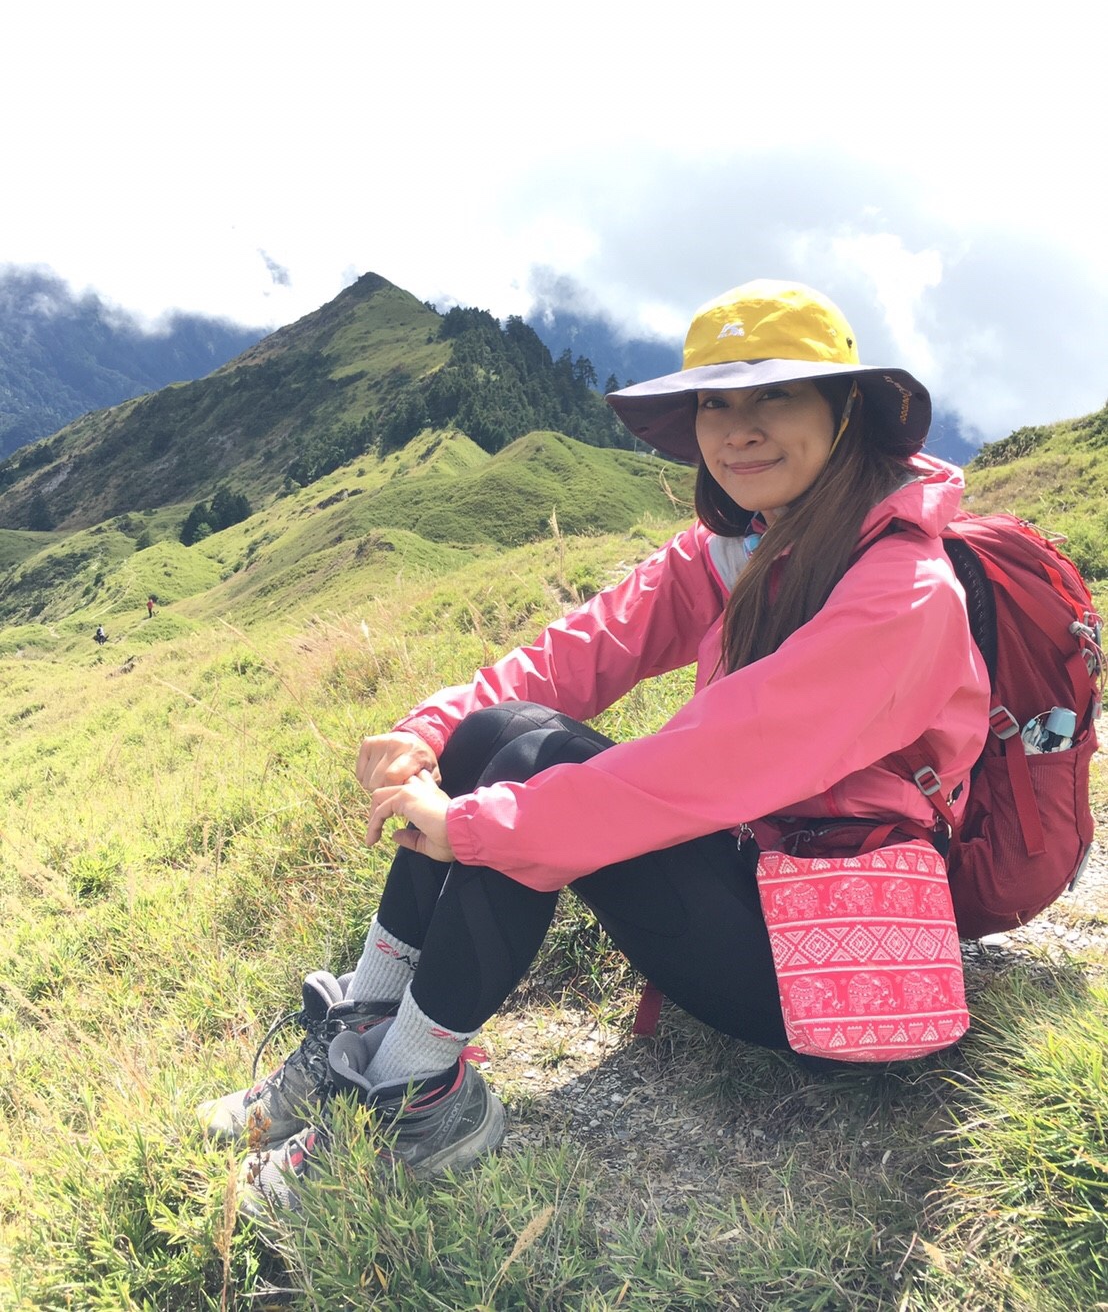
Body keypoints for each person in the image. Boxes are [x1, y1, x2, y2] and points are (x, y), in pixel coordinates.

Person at [199, 280, 990, 1214]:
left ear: (846, 407)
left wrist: (479, 828)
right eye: (715, 403)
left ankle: (416, 1100)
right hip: (752, 880)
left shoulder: (905, 595)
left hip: (829, 973)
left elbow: (710, 765)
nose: (738, 430)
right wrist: (429, 730)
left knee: (532, 777)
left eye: (774, 395)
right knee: (498, 732)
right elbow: (579, 652)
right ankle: (363, 1038)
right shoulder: (752, 544)